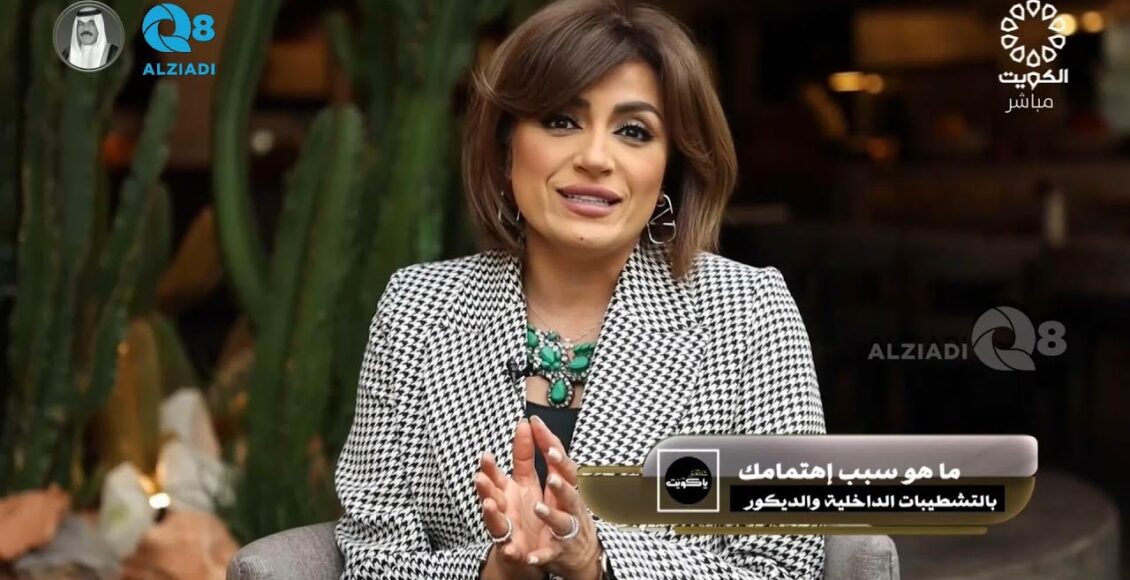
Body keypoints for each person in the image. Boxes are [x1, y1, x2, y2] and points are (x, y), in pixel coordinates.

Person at [334, 0, 827, 578]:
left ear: (670, 167)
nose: (595, 158)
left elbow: (786, 565)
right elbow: (370, 559)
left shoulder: (748, 313)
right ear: (507, 144)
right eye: (561, 121)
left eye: (634, 131)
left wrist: (596, 560)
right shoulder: (417, 309)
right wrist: (497, 569)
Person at [63, 5, 119, 70]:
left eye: (92, 23)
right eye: (81, 24)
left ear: (99, 26)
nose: (86, 29)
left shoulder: (113, 53)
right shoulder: (67, 54)